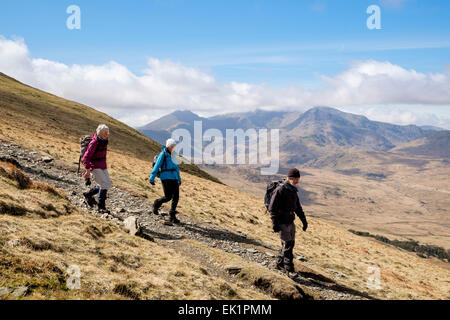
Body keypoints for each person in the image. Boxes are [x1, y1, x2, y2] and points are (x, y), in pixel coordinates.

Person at [268, 168, 308, 273]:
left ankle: (279, 263)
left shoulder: (293, 190)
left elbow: (298, 207)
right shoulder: (280, 190)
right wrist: (275, 223)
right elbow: (272, 208)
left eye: (297, 179)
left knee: (289, 243)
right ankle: (289, 269)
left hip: (290, 221)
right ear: (289, 178)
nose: (296, 181)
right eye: (294, 179)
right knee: (288, 244)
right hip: (282, 222)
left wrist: (304, 220)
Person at [149, 138, 182, 224]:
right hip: (165, 178)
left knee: (176, 197)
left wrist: (179, 178)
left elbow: (176, 168)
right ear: (168, 146)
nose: (173, 148)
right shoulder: (162, 155)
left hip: (174, 178)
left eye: (174, 146)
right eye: (172, 146)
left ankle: (172, 215)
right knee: (168, 197)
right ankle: (156, 203)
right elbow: (157, 166)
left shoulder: (174, 155)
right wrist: (152, 177)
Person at [82, 124, 112, 213]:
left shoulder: (104, 140)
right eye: (106, 132)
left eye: (108, 132)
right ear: (100, 133)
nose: (107, 134)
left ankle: (88, 194)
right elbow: (85, 157)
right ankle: (101, 207)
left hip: (102, 165)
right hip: (94, 166)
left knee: (107, 183)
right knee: (104, 184)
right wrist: (87, 170)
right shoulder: (94, 142)